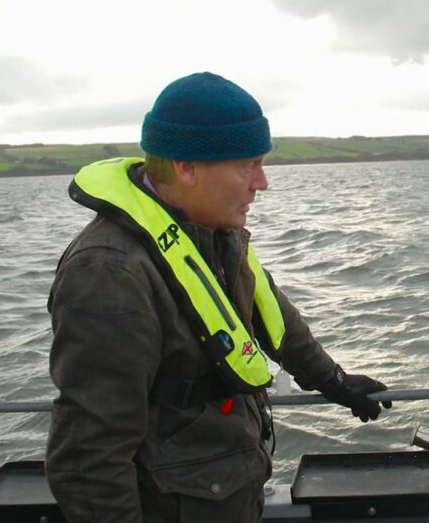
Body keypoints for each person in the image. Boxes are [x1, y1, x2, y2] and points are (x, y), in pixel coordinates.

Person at [46, 71, 392, 523]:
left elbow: (273, 316)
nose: (262, 183)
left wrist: (334, 381)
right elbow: (89, 460)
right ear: (188, 167)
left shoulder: (215, 235)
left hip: (226, 493)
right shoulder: (108, 273)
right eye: (247, 165)